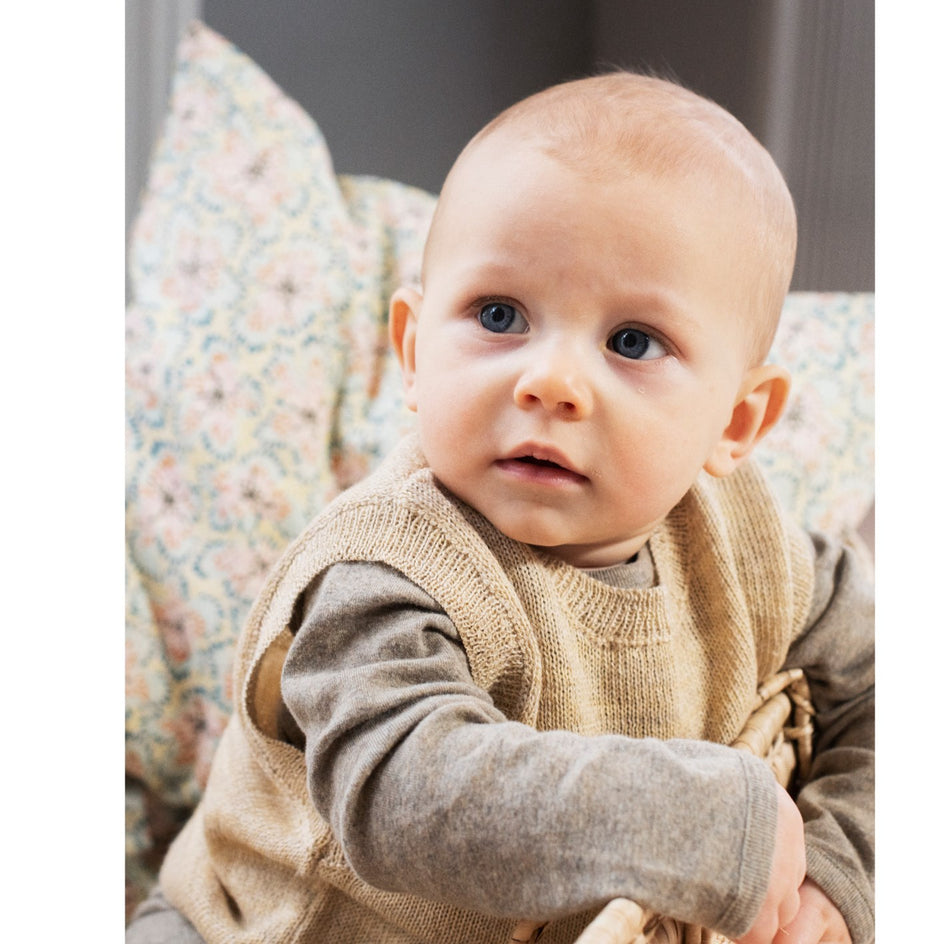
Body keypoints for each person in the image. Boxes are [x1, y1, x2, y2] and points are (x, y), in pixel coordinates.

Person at [128, 72, 873, 944]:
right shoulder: (386, 569)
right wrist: (698, 822)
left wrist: (839, 863)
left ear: (738, 422)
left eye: (632, 341)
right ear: (413, 352)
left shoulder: (752, 549)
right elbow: (403, 798)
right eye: (499, 314)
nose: (550, 381)